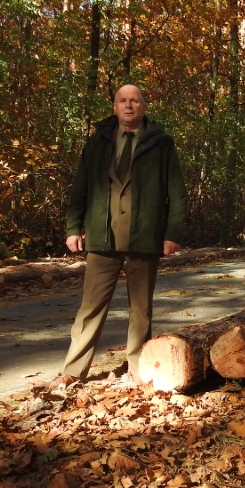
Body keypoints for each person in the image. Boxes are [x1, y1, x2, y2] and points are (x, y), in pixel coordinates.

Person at [60, 84, 186, 382]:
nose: (128, 105)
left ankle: (138, 371)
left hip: (145, 235)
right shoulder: (97, 143)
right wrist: (73, 228)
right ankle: (73, 371)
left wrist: (173, 233)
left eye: (134, 100)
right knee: (90, 307)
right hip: (103, 236)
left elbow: (177, 193)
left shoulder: (161, 144)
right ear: (115, 106)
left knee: (140, 310)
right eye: (122, 100)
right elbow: (81, 187)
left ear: (144, 105)